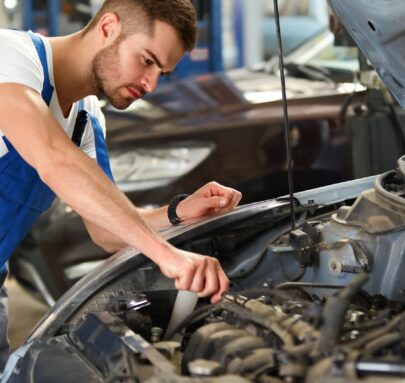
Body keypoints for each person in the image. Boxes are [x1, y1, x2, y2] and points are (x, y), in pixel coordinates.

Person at [0, 0, 241, 369]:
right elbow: (53, 158)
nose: (151, 84)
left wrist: (176, 213)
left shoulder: (86, 117)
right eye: (147, 60)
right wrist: (168, 257)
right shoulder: (11, 57)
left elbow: (105, 231)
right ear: (108, 27)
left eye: (163, 72)